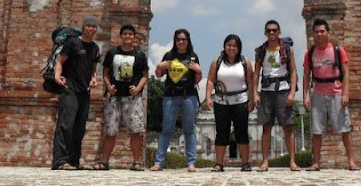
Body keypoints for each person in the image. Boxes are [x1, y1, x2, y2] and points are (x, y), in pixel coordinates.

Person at [303, 18, 359, 171]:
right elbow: (306, 75)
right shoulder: (310, 53)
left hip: (336, 92)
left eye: (322, 31)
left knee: (344, 129)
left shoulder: (337, 50)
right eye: (316, 32)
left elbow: (346, 73)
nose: (319, 34)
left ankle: (351, 161)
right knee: (316, 130)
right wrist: (306, 95)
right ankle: (316, 162)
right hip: (318, 93)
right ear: (313, 34)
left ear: (328, 33)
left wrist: (345, 94)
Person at [91, 23, 148, 171]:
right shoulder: (112, 53)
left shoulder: (139, 54)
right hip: (114, 96)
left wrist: (138, 88)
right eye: (125, 34)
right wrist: (109, 86)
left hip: (132, 97)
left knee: (135, 131)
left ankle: (136, 162)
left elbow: (144, 76)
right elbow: (105, 73)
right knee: (110, 130)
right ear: (121, 36)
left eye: (130, 34)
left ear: (134, 37)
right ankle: (104, 161)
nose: (127, 36)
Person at [52, 15, 101, 170]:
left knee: (80, 127)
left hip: (84, 91)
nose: (92, 29)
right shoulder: (73, 43)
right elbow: (60, 61)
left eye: (94, 26)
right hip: (70, 89)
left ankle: (74, 161)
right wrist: (57, 76)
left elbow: (93, 69)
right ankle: (60, 161)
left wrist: (94, 79)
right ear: (84, 26)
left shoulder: (95, 48)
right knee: (66, 124)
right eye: (89, 26)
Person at [150, 29, 202, 172]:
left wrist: (199, 71)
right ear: (175, 41)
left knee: (189, 130)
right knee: (166, 129)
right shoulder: (169, 55)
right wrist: (159, 67)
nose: (180, 42)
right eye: (178, 39)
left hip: (188, 95)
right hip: (170, 95)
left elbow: (197, 80)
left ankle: (191, 163)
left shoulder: (193, 57)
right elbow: (159, 75)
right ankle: (158, 162)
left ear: (188, 41)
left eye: (183, 39)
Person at [253, 19, 299, 172]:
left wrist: (292, 92)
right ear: (265, 33)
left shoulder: (287, 49)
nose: (271, 33)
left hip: (283, 90)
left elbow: (293, 71)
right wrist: (254, 92)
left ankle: (292, 161)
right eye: (268, 30)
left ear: (279, 32)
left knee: (287, 127)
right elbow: (256, 73)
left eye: (274, 30)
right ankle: (265, 161)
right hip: (266, 91)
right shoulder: (260, 51)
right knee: (266, 127)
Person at [205, 34, 254, 172]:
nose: (231, 48)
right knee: (221, 132)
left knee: (242, 132)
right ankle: (219, 163)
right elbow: (210, 80)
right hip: (221, 101)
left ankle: (245, 163)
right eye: (229, 45)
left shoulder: (245, 62)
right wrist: (208, 97)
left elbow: (251, 81)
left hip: (241, 100)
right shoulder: (217, 62)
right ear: (224, 46)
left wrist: (252, 98)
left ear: (239, 48)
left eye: (234, 46)